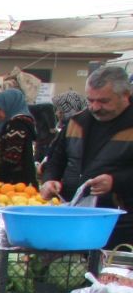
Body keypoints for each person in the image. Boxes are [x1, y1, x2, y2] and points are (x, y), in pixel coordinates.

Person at [42, 64, 133, 244]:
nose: (95, 107)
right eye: (90, 100)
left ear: (125, 95)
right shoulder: (77, 121)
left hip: (121, 224)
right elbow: (55, 159)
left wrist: (116, 181)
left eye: (104, 101)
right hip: (73, 217)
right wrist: (50, 179)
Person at [0, 88, 39, 188]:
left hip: (16, 183)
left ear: (10, 107)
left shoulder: (17, 125)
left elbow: (12, 156)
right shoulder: (10, 124)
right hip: (14, 181)